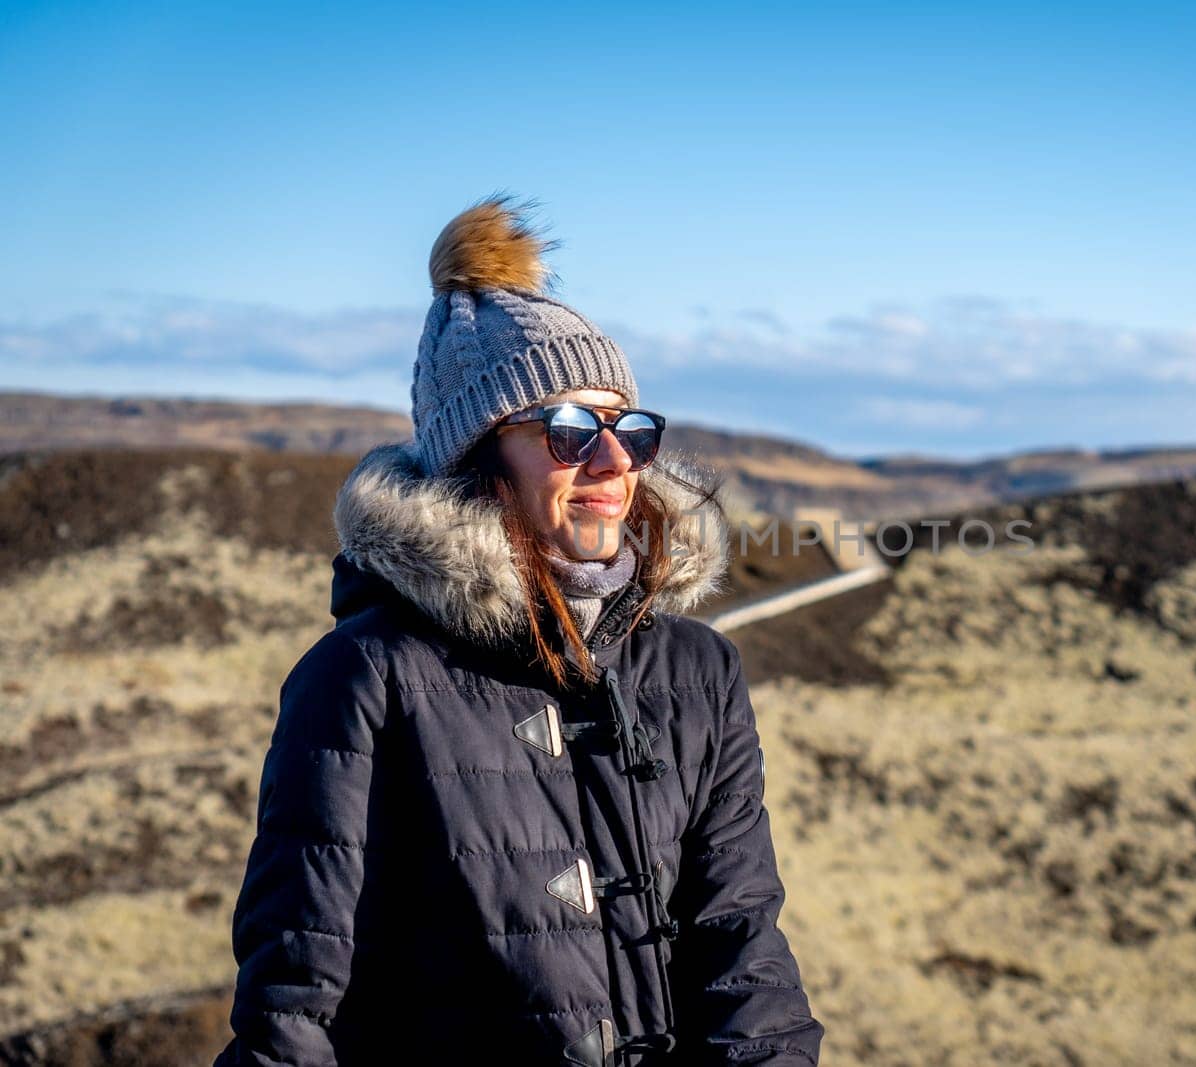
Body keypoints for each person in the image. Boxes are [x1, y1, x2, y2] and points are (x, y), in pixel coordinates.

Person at [214, 194, 824, 1065]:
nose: (614, 463)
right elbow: (297, 1007)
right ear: (477, 456)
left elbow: (744, 955)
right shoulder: (365, 676)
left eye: (629, 429)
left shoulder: (698, 669)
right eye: (572, 430)